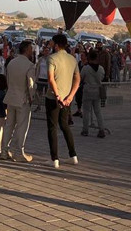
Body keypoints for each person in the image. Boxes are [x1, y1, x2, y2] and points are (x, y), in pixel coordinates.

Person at [46, 33, 80, 169]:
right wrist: (70, 96)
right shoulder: (72, 59)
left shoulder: (52, 58)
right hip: (67, 99)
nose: (50, 44)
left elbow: (50, 78)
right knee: (65, 125)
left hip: (53, 98)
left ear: (56, 45)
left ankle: (54, 158)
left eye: (51, 42)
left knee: (52, 127)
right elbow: (77, 79)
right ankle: (73, 155)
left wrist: (57, 95)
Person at [2, 40, 36, 162]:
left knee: (9, 125)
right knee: (22, 126)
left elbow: (8, 79)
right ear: (26, 50)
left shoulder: (11, 63)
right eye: (31, 49)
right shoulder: (29, 65)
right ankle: (19, 152)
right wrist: (32, 97)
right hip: (23, 99)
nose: (32, 51)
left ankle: (4, 150)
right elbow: (31, 84)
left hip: (11, 97)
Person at [80, 49, 106, 138]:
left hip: (87, 90)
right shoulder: (101, 68)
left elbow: (81, 77)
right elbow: (102, 77)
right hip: (97, 91)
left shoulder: (85, 68)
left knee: (86, 111)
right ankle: (101, 129)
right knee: (98, 111)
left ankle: (85, 130)